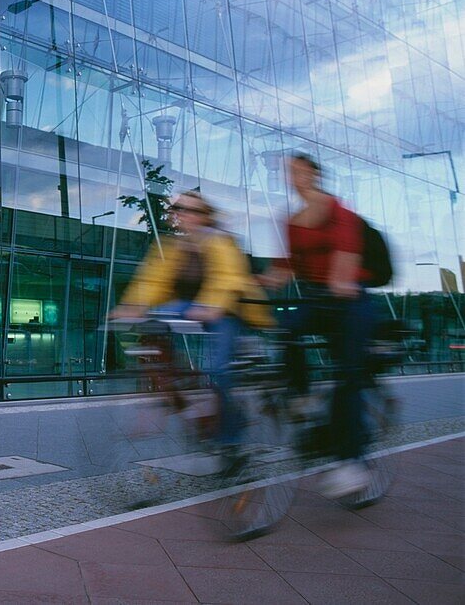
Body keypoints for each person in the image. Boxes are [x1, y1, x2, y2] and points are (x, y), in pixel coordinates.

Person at [110, 190, 272, 473]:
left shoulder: (221, 242)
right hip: (191, 306)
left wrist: (212, 306)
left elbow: (228, 278)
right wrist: (132, 306)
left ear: (205, 217)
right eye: (179, 210)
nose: (183, 215)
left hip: (229, 308)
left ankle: (230, 441)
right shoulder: (174, 248)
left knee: (218, 371)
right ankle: (178, 392)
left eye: (191, 210)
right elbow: (152, 280)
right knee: (151, 325)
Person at [260, 153, 375, 498]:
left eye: (299, 170)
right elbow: (283, 270)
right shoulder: (291, 221)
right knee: (287, 329)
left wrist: (340, 283)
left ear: (315, 173)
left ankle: (352, 462)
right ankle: (302, 397)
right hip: (317, 300)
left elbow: (346, 255)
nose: (292, 176)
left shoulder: (339, 211)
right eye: (288, 172)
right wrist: (256, 282)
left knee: (348, 377)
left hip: (350, 299)